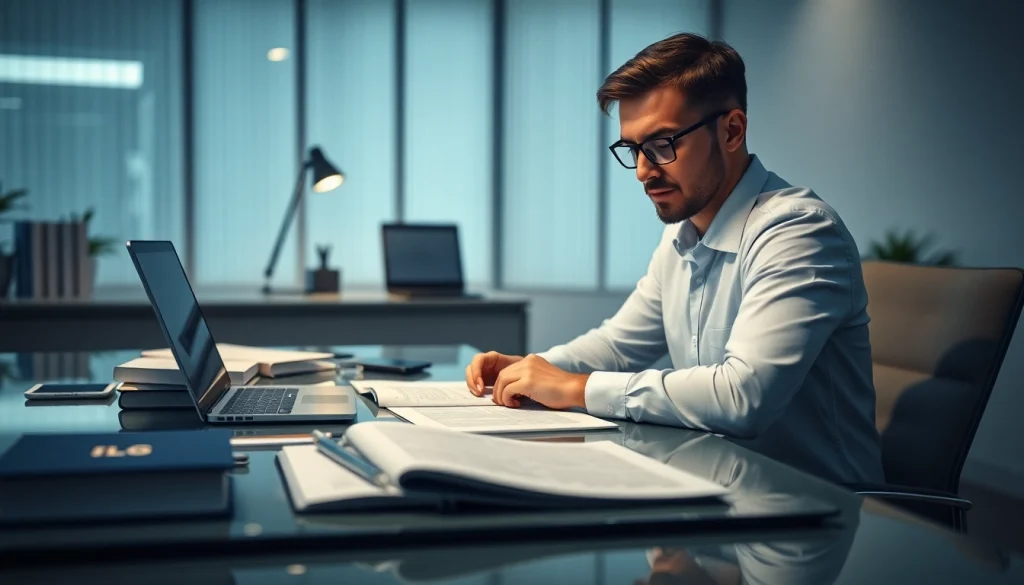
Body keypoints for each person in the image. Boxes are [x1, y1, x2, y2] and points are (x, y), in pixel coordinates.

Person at [465, 32, 883, 484]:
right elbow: (618, 347)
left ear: (732, 130)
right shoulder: (684, 234)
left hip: (817, 514)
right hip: (716, 491)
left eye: (663, 143)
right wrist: (531, 368)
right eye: (633, 149)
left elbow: (742, 397)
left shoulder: (798, 231)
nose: (644, 170)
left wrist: (575, 387)